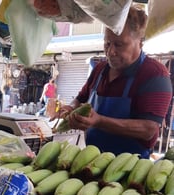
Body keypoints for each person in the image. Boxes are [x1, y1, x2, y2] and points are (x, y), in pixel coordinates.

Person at [55, 5, 173, 159]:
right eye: (107, 44)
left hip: (130, 166)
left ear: (140, 42)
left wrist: (99, 121)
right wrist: (69, 108)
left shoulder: (154, 74)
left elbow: (148, 128)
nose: (111, 51)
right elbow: (81, 99)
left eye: (119, 44)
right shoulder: (100, 69)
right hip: (92, 159)